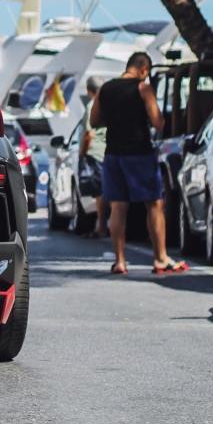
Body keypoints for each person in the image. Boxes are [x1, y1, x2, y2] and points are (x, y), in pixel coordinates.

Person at [90, 52, 187, 275]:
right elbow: (158, 121)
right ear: (144, 69)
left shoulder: (105, 89)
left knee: (118, 206)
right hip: (139, 153)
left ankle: (120, 261)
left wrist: (114, 119)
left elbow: (94, 121)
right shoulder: (143, 88)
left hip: (113, 154)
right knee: (154, 205)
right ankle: (160, 258)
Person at [78, 75, 108, 239]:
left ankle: (101, 227)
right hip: (109, 151)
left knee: (99, 192)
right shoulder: (110, 103)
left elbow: (88, 133)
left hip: (96, 152)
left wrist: (83, 151)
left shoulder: (92, 105)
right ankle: (103, 225)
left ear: (89, 91)